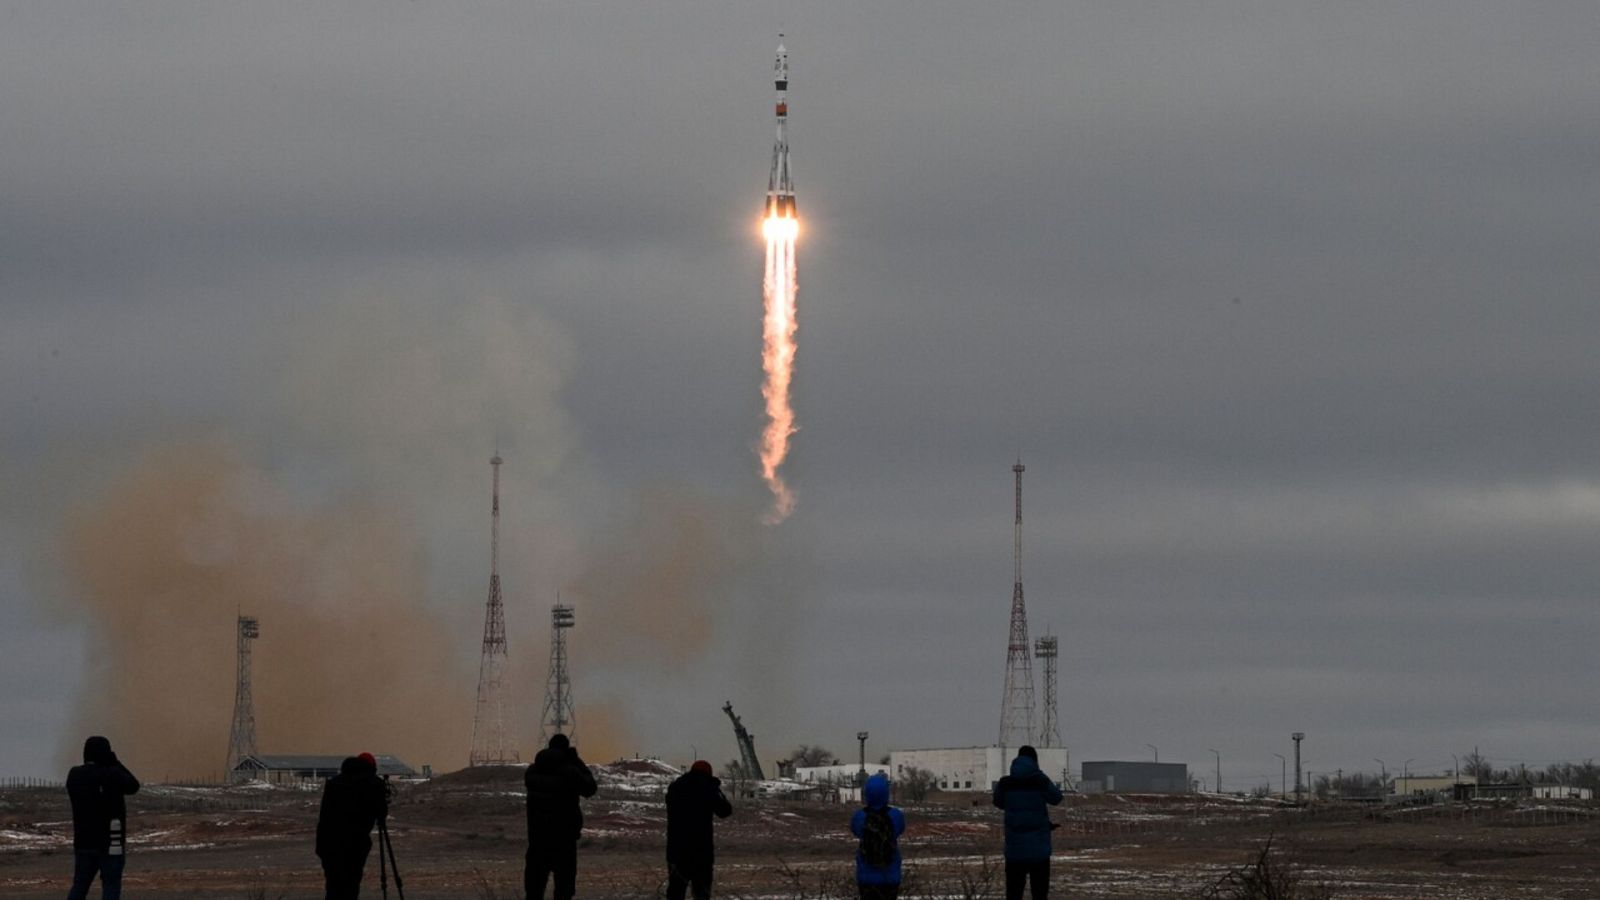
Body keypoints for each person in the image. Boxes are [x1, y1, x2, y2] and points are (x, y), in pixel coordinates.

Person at [524, 734, 598, 900]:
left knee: (534, 891)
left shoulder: (532, 773)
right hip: (564, 841)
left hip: (537, 841)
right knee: (564, 891)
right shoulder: (570, 772)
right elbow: (590, 788)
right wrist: (577, 761)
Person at [66, 735, 140, 900]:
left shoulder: (74, 775)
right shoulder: (111, 774)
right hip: (110, 843)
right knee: (111, 887)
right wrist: (115, 762)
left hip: (84, 843)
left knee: (79, 886)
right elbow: (133, 785)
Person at [992, 745, 1064, 900]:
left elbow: (998, 802)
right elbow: (1056, 798)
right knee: (1039, 893)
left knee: (1014, 893)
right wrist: (1040, 776)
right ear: (1035, 761)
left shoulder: (1005, 783)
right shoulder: (1039, 781)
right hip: (1039, 849)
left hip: (1014, 850)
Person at [314, 752, 388, 900]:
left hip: (328, 844)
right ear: (372, 767)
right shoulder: (373, 783)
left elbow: (324, 815)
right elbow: (381, 813)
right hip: (355, 845)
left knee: (333, 887)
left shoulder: (334, 783)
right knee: (351, 886)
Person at [664, 760, 733, 900]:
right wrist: (716, 788)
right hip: (701, 852)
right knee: (702, 893)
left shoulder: (675, 787)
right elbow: (725, 811)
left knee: (675, 892)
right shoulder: (708, 787)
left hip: (676, 850)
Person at [849, 772, 905, 900]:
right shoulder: (896, 815)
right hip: (890, 876)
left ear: (866, 793)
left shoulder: (859, 817)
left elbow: (855, 830)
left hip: (865, 877)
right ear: (886, 793)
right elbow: (901, 829)